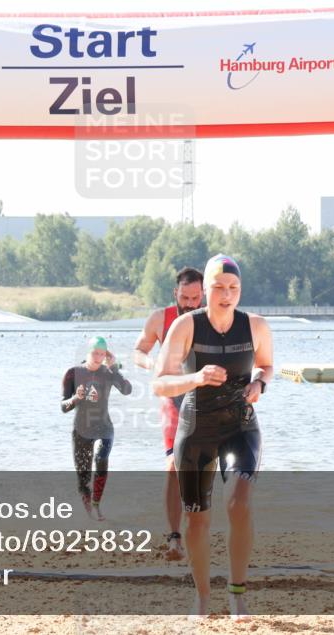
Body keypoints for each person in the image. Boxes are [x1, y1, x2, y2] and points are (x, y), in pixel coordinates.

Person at [153, 254, 273, 620]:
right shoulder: (186, 326)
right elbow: (160, 383)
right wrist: (196, 378)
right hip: (196, 429)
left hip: (240, 426)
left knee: (238, 502)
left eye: (233, 288)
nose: (227, 294)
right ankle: (202, 597)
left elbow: (267, 366)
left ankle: (237, 595)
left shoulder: (255, 325)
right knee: (197, 520)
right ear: (205, 290)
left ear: (241, 290)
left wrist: (259, 384)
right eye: (219, 287)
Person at [133, 266, 204, 561]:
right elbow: (139, 350)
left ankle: (198, 528)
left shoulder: (212, 317)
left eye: (195, 298)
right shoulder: (160, 318)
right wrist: (153, 364)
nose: (190, 303)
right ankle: (175, 537)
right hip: (173, 399)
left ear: (203, 295)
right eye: (185, 297)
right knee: (173, 467)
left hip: (205, 398)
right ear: (175, 293)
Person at [61, 336, 132, 521]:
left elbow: (127, 390)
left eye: (102, 354)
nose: (98, 357)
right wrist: (75, 398)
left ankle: (96, 505)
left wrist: (114, 368)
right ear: (88, 352)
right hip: (81, 429)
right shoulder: (73, 373)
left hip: (104, 427)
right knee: (83, 478)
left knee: (101, 458)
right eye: (95, 353)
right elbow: (63, 407)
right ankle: (88, 513)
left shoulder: (108, 372)